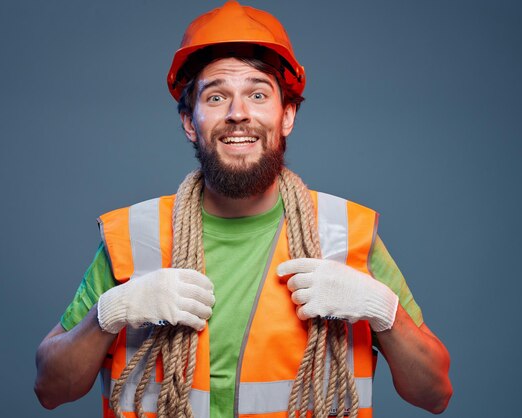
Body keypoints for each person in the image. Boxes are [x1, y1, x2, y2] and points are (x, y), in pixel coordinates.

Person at [34, 1, 452, 417]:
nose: (238, 114)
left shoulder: (345, 235)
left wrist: (383, 311)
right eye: (216, 97)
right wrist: (109, 314)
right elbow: (51, 389)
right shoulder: (134, 238)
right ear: (188, 121)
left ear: (286, 115)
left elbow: (434, 394)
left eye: (257, 94)